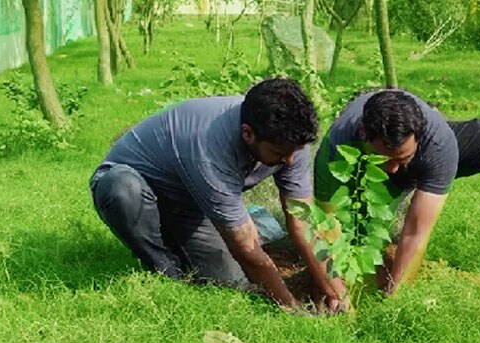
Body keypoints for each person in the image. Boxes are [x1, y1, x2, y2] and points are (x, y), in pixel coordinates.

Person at [90, 77, 346, 312]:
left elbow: (302, 220)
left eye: (295, 152)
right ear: (248, 133)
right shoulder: (209, 147)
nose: (289, 161)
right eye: (280, 154)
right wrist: (291, 308)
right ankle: (164, 270)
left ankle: (180, 244)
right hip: (131, 185)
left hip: (190, 203)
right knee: (123, 191)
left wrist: (333, 288)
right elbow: (246, 248)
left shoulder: (290, 140)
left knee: (229, 283)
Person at [314, 88, 480, 294]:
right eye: (384, 159)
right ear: (364, 134)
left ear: (419, 135)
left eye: (402, 158)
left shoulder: (438, 143)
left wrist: (395, 296)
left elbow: (416, 232)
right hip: (366, 176)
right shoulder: (336, 148)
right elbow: (328, 223)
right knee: (360, 236)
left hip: (426, 153)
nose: (394, 168)